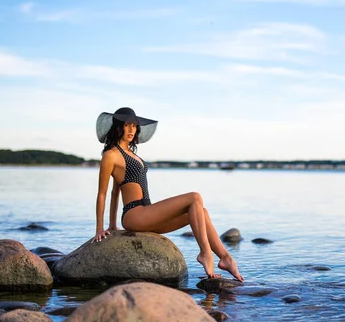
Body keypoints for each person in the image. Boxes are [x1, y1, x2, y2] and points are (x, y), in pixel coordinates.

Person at [92, 107, 243, 281]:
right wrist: (100, 228)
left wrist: (112, 225)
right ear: (118, 127)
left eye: (134, 126)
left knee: (202, 212)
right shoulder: (111, 155)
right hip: (135, 215)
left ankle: (225, 258)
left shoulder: (132, 155)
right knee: (195, 197)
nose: (132, 130)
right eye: (127, 125)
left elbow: (115, 192)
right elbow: (105, 193)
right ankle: (205, 254)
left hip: (147, 214)